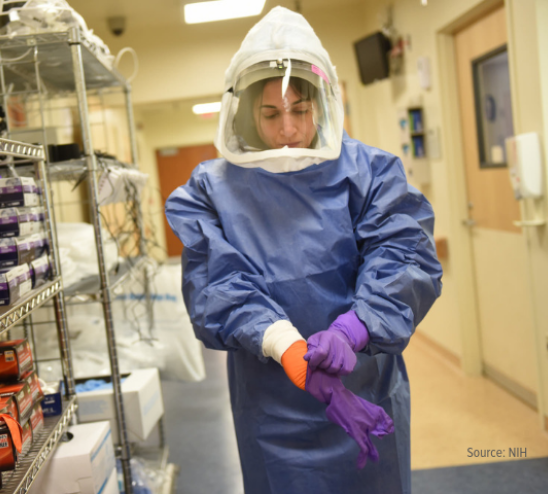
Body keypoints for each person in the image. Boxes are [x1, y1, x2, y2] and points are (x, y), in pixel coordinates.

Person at [164, 7, 442, 494]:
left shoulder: (369, 173)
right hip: (271, 401)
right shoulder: (213, 188)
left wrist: (355, 328)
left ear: (321, 105)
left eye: (299, 110)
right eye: (271, 113)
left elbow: (404, 255)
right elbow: (217, 284)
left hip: (365, 383)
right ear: (248, 111)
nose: (287, 128)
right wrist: (287, 347)